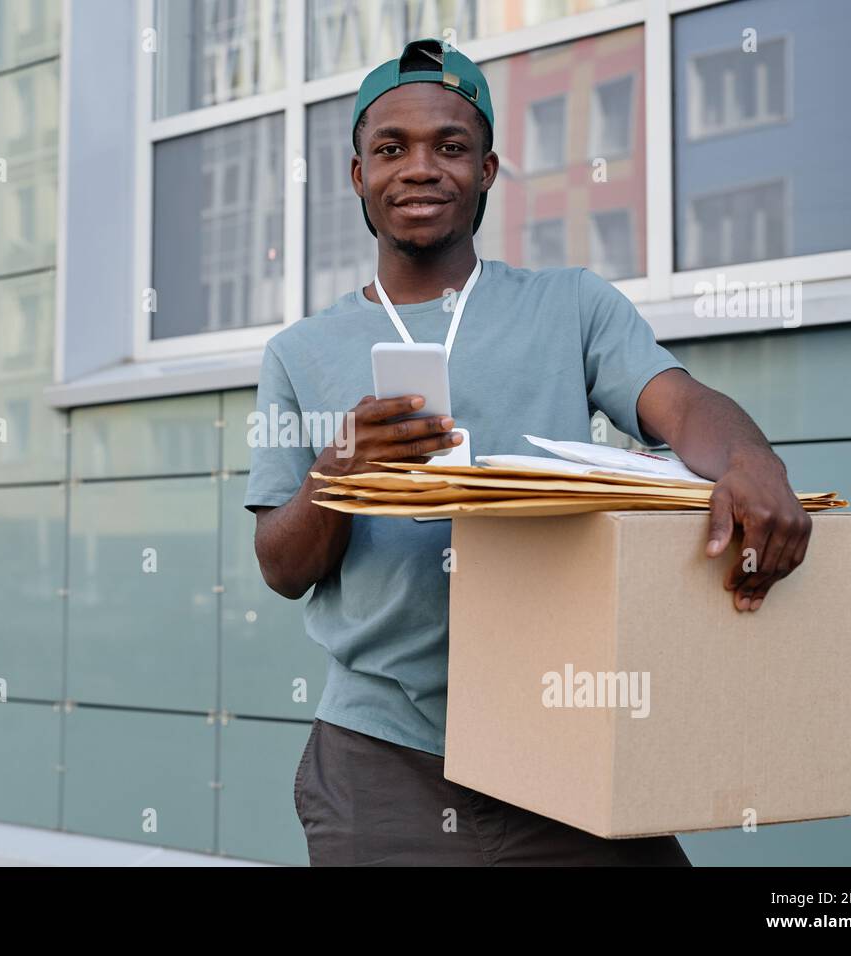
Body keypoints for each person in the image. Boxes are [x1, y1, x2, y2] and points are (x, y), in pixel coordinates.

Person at [244, 38, 811, 866]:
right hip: (383, 755)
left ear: (488, 170)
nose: (420, 168)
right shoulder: (298, 352)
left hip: (565, 731)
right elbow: (281, 567)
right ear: (356, 175)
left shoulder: (570, 304)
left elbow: (681, 405)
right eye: (390, 148)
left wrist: (753, 458)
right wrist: (336, 480)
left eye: (450, 146)